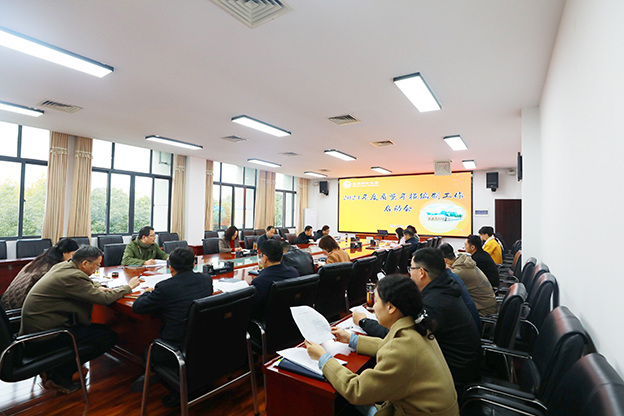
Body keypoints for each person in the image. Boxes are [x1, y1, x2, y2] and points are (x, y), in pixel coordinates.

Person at [306, 275, 458, 416]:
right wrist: (351, 339)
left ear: (391, 308)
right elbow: (388, 345)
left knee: (343, 405)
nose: (374, 305)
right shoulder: (418, 327)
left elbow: (356, 390)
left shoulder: (401, 349)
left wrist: (323, 358)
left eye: (377, 301)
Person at [355, 248, 482, 388]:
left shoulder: (433, 304)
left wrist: (363, 321)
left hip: (454, 376)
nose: (409, 272)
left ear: (421, 272)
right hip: (462, 365)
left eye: (411, 268)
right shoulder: (445, 287)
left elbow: (399, 335)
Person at [20, 246, 140, 393]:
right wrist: (128, 287)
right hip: (45, 338)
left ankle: (53, 369)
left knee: (101, 330)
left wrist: (99, 286)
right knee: (108, 337)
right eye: (97, 265)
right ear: (84, 263)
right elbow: (104, 299)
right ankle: (58, 376)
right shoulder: (73, 276)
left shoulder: (64, 266)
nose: (97, 269)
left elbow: (87, 281)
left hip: (35, 332)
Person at [130, 247, 213, 398]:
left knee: (149, 352)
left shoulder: (165, 287)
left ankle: (170, 384)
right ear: (194, 265)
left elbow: (137, 307)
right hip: (203, 341)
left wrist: (147, 293)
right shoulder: (206, 279)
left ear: (171, 267)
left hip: (175, 346)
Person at [1, 238, 79, 310]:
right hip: (16, 311)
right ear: (64, 253)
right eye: (73, 255)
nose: (73, 259)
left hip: (6, 305)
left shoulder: (38, 262)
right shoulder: (50, 270)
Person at [439, 243, 497, 317]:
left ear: (445, 261)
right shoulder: (464, 263)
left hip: (483, 310)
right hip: (487, 304)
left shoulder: (458, 272)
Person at [249, 239, 299, 319]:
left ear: (265, 258)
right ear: (281, 257)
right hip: (291, 318)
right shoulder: (294, 273)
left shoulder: (259, 282)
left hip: (268, 322)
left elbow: (253, 311)